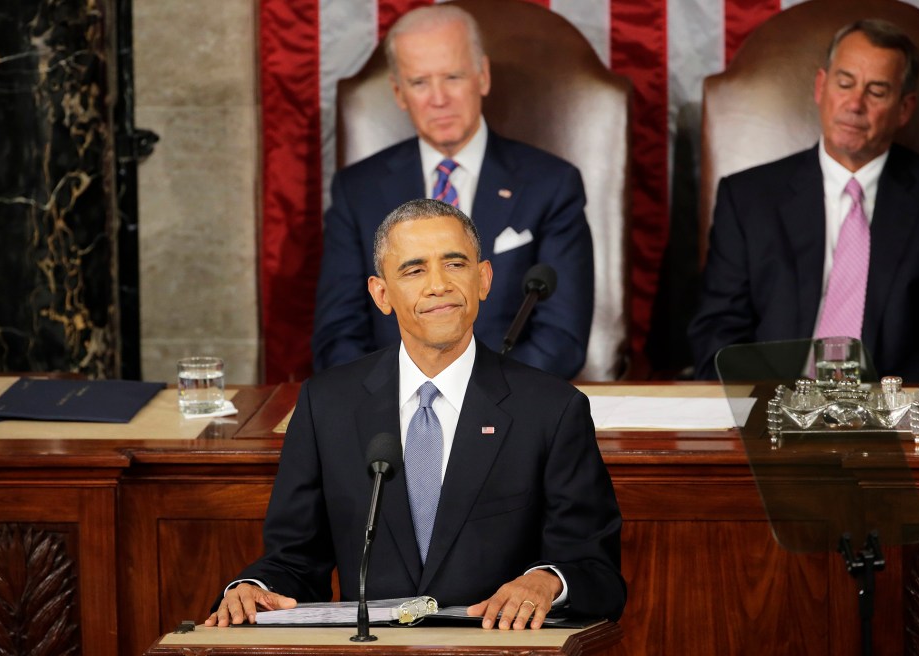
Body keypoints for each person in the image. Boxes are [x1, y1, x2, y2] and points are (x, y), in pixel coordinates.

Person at [206, 199, 625, 630]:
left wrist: (545, 581)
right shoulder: (326, 405)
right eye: (414, 270)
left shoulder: (552, 408)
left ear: (483, 279)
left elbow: (596, 571)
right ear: (381, 294)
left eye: (455, 264)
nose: (438, 285)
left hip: (497, 651)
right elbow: (295, 560)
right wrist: (253, 587)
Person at [688, 19, 919, 382]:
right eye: (844, 83)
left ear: (905, 108)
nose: (854, 104)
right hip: (773, 413)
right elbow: (717, 332)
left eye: (876, 91)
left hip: (890, 415)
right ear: (820, 86)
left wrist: (873, 404)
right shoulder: (747, 198)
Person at [312, 3, 594, 380]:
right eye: (419, 82)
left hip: (510, 408)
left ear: (483, 77)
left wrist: (478, 400)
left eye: (453, 77)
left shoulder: (552, 185)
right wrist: (399, 398)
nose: (438, 98)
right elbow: (337, 335)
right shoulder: (358, 191)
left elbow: (561, 337)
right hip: (390, 413)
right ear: (398, 92)